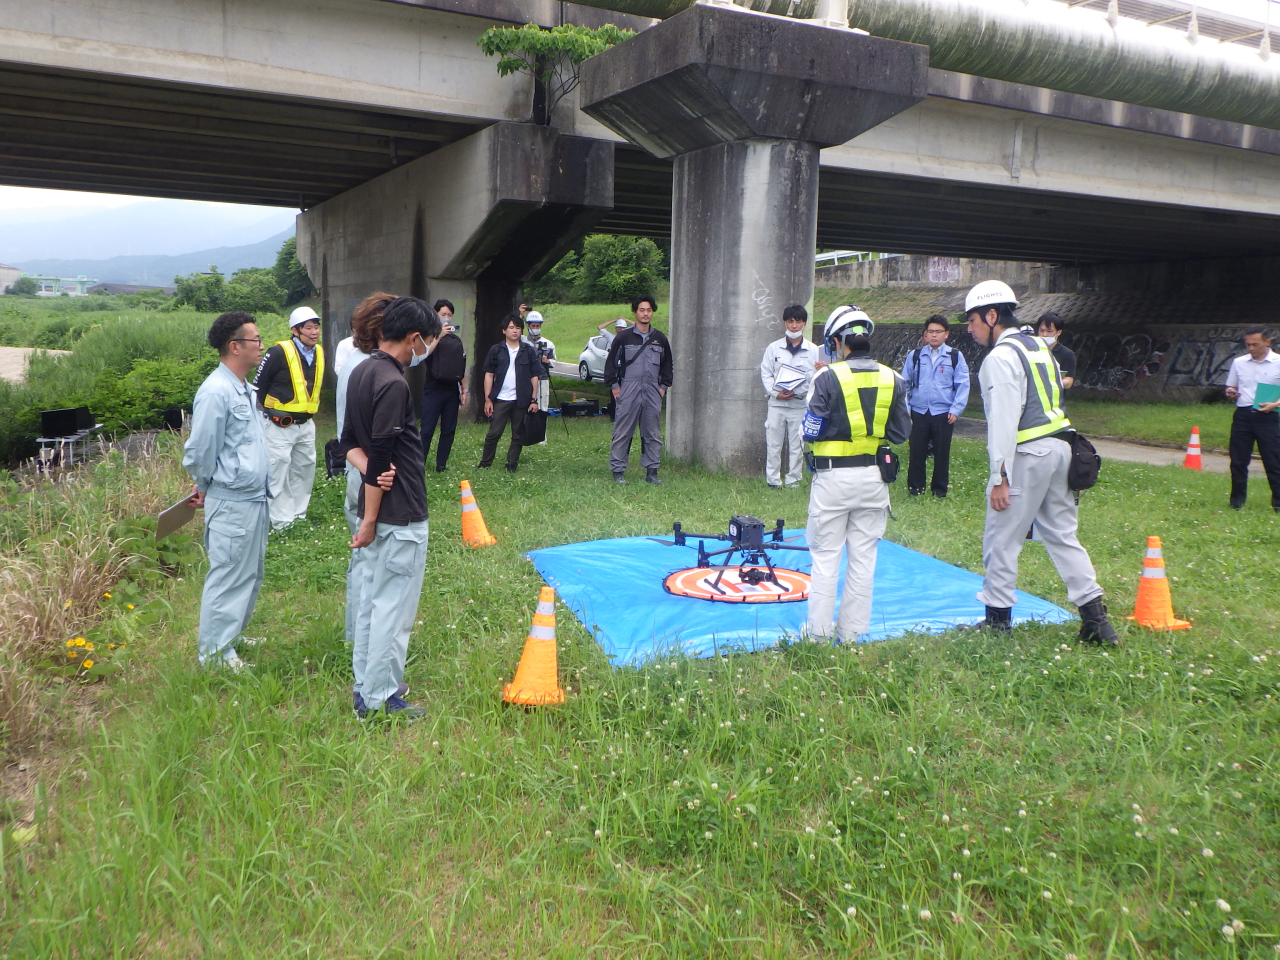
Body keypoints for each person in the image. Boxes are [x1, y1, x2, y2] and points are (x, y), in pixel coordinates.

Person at [962, 280, 1119, 643]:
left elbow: (1002, 420)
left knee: (1001, 538)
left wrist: (999, 475)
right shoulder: (1040, 347)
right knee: (1063, 536)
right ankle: (1096, 620)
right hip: (1062, 449)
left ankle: (998, 621)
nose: (969, 328)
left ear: (991, 314)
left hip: (1028, 453)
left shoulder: (1000, 357)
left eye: (972, 320)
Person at [340, 296, 442, 719]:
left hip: (382, 510)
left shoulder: (363, 370)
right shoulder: (394, 383)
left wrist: (371, 473)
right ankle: (381, 698)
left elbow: (348, 445)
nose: (427, 351)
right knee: (393, 610)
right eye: (430, 343)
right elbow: (379, 454)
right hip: (399, 516)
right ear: (415, 338)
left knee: (372, 602)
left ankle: (367, 685)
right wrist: (369, 517)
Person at [801, 305, 910, 641]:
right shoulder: (894, 378)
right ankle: (851, 635)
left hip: (833, 479)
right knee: (864, 558)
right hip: (874, 480)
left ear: (837, 341)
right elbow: (901, 432)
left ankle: (818, 636)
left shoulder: (826, 377)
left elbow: (811, 429)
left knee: (825, 557)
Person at [181, 312, 271, 671]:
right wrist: (204, 486)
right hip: (232, 500)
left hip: (252, 497)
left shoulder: (242, 388)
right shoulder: (216, 391)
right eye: (256, 340)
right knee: (229, 573)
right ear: (235, 347)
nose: (262, 347)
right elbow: (200, 450)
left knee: (250, 572)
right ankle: (215, 656)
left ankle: (230, 636)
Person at [251, 306, 324, 530]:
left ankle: (298, 516)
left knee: (304, 468)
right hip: (279, 424)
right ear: (295, 330)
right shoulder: (278, 352)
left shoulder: (319, 351)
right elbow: (258, 386)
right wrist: (265, 413)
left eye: (316, 327)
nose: (314, 332)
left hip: (306, 424)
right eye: (308, 327)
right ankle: (281, 522)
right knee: (279, 470)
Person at [900, 314, 970, 498]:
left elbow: (963, 384)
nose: (933, 335)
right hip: (918, 411)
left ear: (946, 334)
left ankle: (939, 490)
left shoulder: (954, 356)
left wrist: (956, 409)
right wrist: (906, 408)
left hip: (943, 412)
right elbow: (904, 383)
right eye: (930, 331)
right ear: (925, 334)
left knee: (941, 453)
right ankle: (915, 489)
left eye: (938, 331)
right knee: (916, 452)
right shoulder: (915, 356)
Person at [606, 295, 672, 485]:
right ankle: (618, 471)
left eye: (649, 310)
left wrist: (663, 387)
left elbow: (668, 365)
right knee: (622, 431)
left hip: (652, 390)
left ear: (653, 312)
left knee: (652, 433)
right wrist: (615, 386)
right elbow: (611, 363)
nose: (645, 313)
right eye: (642, 310)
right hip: (628, 388)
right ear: (635, 312)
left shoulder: (659, 338)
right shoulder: (624, 337)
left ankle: (652, 472)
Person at [759, 304, 821, 488]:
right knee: (774, 444)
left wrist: (798, 392)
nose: (794, 326)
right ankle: (773, 481)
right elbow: (765, 373)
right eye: (790, 321)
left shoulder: (813, 350)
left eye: (798, 322)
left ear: (804, 324)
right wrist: (776, 393)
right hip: (777, 404)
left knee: (797, 445)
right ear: (785, 322)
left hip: (799, 404)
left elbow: (815, 379)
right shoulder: (774, 348)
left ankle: (793, 481)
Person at [1224, 325, 1280, 510]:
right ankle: (1236, 503)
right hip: (1243, 414)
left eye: (1255, 344)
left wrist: (1275, 404)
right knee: (1238, 461)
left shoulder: (1278, 362)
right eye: (1248, 344)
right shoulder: (1239, 362)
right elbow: (1230, 386)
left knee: (1273, 461)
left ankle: (1278, 504)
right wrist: (1231, 392)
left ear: (1267, 342)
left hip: (1269, 415)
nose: (1251, 348)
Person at [479, 315, 540, 473]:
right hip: (501, 398)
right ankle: (485, 463)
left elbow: (535, 376)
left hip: (522, 399)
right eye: (511, 328)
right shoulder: (496, 349)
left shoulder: (528, 351)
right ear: (504, 330)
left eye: (518, 328)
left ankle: (512, 463)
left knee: (518, 434)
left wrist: (533, 399)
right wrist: (488, 399)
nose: (515, 331)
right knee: (494, 432)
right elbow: (489, 374)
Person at [420, 298, 468, 472]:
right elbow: (424, 354)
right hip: (433, 389)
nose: (446, 318)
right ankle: (419, 463)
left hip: (451, 390)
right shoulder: (430, 336)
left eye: (449, 315)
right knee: (427, 429)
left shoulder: (455, 339)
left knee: (448, 429)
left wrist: (464, 389)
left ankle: (441, 464)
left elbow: (461, 365)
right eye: (443, 314)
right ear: (435, 315)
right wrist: (439, 336)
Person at [1036, 312, 1077, 389]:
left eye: (1049, 331)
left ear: (1059, 332)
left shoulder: (1067, 354)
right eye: (1041, 330)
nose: (1044, 334)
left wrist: (1047, 382)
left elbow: (1068, 382)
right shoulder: (1030, 350)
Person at [524, 311, 555, 412]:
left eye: (538, 326)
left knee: (542, 407)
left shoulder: (548, 344)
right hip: (526, 378)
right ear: (528, 326)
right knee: (526, 406)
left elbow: (554, 361)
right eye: (533, 325)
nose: (535, 328)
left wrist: (547, 361)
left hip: (543, 379)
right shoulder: (522, 342)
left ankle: (541, 426)